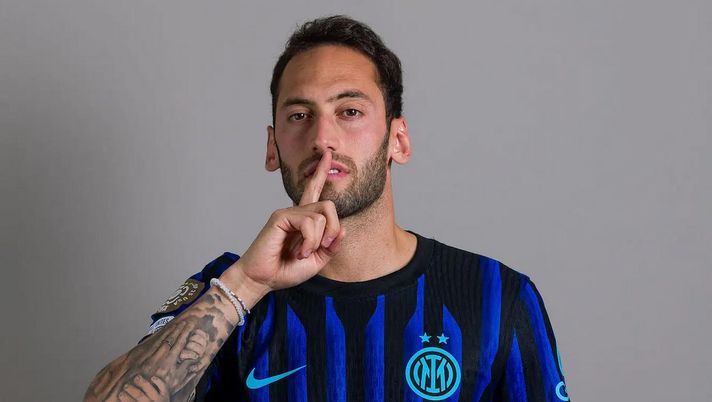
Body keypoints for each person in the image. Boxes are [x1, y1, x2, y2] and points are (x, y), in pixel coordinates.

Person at [84, 15, 570, 402]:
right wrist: (247, 284)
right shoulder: (230, 290)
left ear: (398, 140)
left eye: (349, 111)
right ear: (273, 148)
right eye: (300, 115)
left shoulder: (497, 296)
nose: (322, 138)